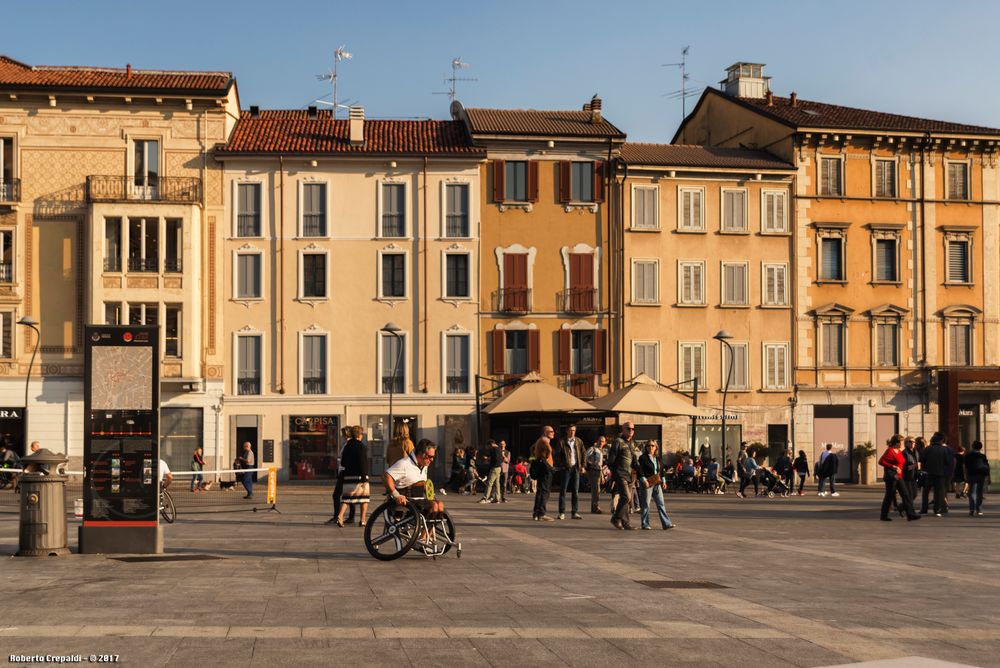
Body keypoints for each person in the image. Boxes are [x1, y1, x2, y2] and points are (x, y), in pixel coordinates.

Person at [383, 438, 445, 517]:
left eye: (433, 457)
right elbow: (386, 476)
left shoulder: (424, 465)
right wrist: (396, 495)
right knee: (434, 506)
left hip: (417, 499)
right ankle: (424, 529)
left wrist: (431, 494)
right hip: (406, 500)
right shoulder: (405, 463)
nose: (432, 460)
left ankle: (428, 529)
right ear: (420, 453)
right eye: (429, 457)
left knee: (440, 505)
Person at [878, 434, 920, 522]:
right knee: (889, 496)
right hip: (892, 477)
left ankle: (910, 514)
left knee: (906, 495)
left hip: (899, 476)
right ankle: (883, 515)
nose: (902, 443)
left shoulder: (899, 451)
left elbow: (902, 463)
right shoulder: (890, 451)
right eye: (901, 442)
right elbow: (881, 461)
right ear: (896, 442)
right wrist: (892, 466)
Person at [335, 425, 369, 527]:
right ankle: (362, 520)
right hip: (359, 476)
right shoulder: (361, 446)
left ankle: (340, 516)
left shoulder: (347, 446)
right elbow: (363, 462)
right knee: (364, 499)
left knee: (347, 498)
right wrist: (364, 478)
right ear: (359, 435)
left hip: (348, 476)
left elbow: (344, 462)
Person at [637, 440, 674, 530]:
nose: (650, 447)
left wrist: (664, 481)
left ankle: (666, 524)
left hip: (657, 483)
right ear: (646, 447)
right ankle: (645, 524)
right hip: (647, 483)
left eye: (652, 446)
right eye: (648, 445)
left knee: (661, 504)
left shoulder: (658, 458)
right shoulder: (643, 458)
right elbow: (640, 470)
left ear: (656, 447)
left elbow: (661, 471)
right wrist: (644, 480)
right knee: (646, 504)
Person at [607, 422, 637, 530]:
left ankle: (625, 522)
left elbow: (634, 460)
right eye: (628, 429)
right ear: (623, 429)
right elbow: (611, 460)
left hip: (629, 474)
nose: (631, 431)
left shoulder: (632, 443)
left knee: (627, 500)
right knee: (626, 497)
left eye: (633, 429)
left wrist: (640, 472)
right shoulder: (618, 441)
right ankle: (615, 518)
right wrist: (613, 474)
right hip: (620, 473)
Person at [554, 424, 585, 520]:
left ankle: (574, 512)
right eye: (571, 430)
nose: (572, 432)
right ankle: (561, 512)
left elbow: (583, 453)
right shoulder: (562, 442)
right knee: (563, 491)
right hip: (566, 468)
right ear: (567, 431)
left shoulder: (579, 441)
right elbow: (556, 455)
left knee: (575, 491)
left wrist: (583, 466)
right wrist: (561, 465)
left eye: (574, 430)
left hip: (576, 468)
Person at [328, 426, 356, 525]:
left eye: (343, 433)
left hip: (344, 472)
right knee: (349, 494)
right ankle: (351, 516)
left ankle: (337, 516)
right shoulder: (347, 444)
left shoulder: (349, 444)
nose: (342, 435)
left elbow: (345, 459)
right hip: (343, 471)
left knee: (337, 495)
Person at [919, 432, 949, 516]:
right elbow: (948, 462)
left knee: (925, 492)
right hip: (940, 474)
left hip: (928, 473)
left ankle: (924, 509)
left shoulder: (928, 449)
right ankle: (937, 510)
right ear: (941, 441)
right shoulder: (945, 450)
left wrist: (924, 468)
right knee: (938, 492)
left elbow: (922, 460)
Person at [531, 426, 555, 521]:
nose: (553, 433)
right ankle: (541, 513)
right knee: (545, 492)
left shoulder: (539, 441)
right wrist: (547, 458)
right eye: (551, 431)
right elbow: (549, 451)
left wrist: (535, 456)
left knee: (541, 491)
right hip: (545, 469)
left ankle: (536, 513)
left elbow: (531, 448)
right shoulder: (544, 441)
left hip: (541, 468)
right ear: (545, 432)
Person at [964, 440, 989, 516]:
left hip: (971, 475)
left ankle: (972, 509)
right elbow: (987, 466)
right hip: (981, 475)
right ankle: (979, 509)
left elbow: (965, 466)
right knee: (979, 493)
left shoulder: (968, 455)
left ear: (972, 446)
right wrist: (988, 476)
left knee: (971, 492)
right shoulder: (983, 456)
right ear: (981, 447)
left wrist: (965, 475)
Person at [585, 436, 605, 514]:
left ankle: (594, 507)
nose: (601, 443)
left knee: (597, 490)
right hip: (593, 471)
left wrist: (602, 475)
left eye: (603, 441)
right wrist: (591, 463)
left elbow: (601, 465)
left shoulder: (601, 451)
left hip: (598, 471)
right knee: (595, 490)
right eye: (600, 441)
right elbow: (586, 458)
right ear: (597, 441)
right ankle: (595, 507)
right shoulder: (592, 449)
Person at [480, 439, 503, 504]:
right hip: (498, 467)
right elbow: (500, 459)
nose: (488, 448)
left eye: (488, 446)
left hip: (495, 468)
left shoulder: (494, 449)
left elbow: (496, 459)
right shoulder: (499, 449)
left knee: (489, 483)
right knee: (497, 483)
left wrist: (487, 459)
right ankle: (497, 498)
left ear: (491, 444)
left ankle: (485, 498)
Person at [902, 437, 919, 504]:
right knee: (910, 495)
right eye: (910, 442)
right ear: (906, 443)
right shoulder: (904, 453)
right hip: (907, 477)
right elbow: (903, 467)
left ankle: (902, 507)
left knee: (915, 494)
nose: (912, 443)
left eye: (914, 442)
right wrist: (914, 466)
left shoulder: (916, 452)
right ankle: (908, 510)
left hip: (914, 476)